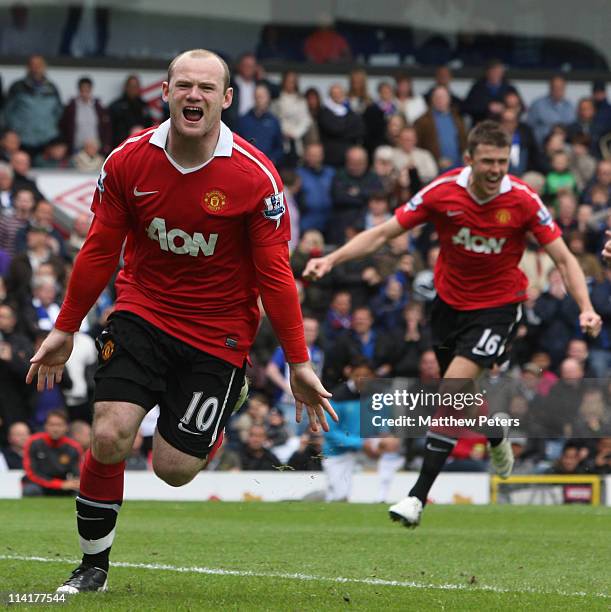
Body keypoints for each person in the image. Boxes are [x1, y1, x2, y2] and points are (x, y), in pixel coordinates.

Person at [26, 48, 337, 594]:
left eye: (207, 88)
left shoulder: (255, 177)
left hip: (219, 332)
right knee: (109, 435)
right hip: (142, 312)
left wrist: (298, 361)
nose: (195, 96)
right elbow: (100, 248)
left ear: (226, 99)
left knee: (173, 468)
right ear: (165, 92)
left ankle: (225, 395)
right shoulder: (127, 160)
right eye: (184, 86)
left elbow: (275, 275)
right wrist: (64, 326)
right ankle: (92, 567)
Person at [304, 120, 601, 528]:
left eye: (502, 161)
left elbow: (564, 258)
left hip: (498, 307)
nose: (496, 169)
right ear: (469, 159)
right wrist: (332, 258)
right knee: (459, 399)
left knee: (450, 393)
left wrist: (584, 306)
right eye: (488, 161)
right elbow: (385, 232)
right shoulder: (443, 191)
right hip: (448, 306)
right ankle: (493, 431)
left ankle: (416, 497)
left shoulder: (524, 200)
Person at [22, 409, 82, 496]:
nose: (55, 429)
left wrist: (74, 483)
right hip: (39, 485)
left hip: (64, 485)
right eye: (52, 425)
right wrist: (59, 484)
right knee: (30, 490)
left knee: (81, 492)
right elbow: (31, 474)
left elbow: (78, 474)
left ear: (66, 427)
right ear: (45, 426)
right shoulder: (33, 442)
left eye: (59, 425)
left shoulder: (73, 447)